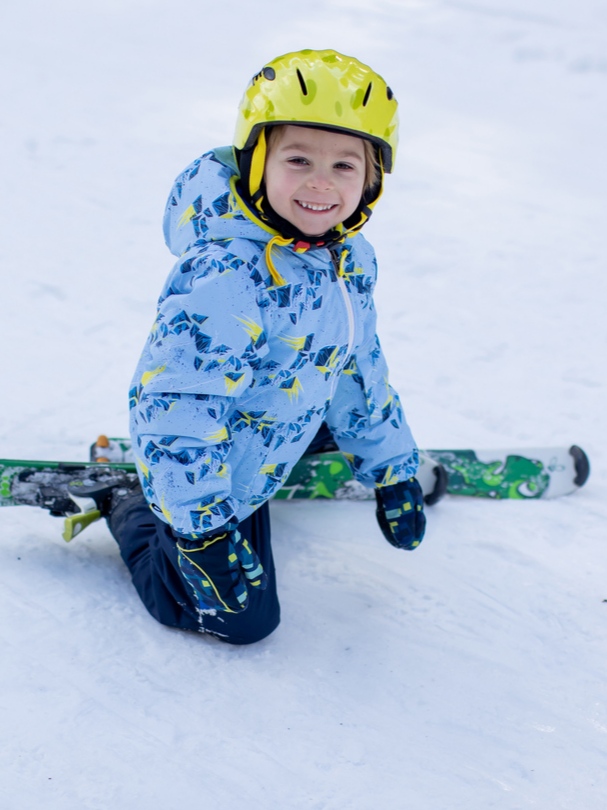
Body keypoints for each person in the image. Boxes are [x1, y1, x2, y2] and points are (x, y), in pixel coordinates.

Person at [109, 49, 426, 644]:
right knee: (242, 621)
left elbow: (356, 365)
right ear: (256, 160)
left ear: (373, 179)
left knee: (334, 393)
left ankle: (318, 449)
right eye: (298, 158)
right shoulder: (226, 275)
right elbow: (178, 404)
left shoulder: (347, 258)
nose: (320, 183)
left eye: (344, 166)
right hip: (218, 460)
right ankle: (134, 508)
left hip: (283, 413)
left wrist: (391, 469)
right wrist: (200, 531)